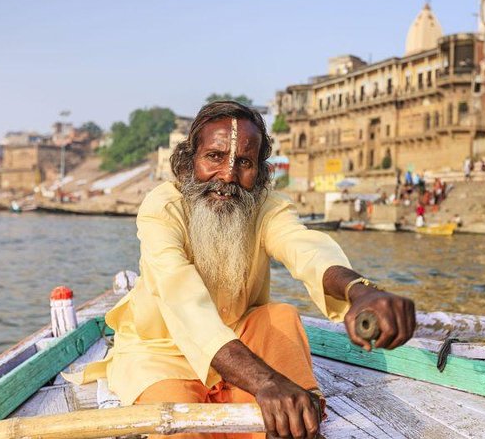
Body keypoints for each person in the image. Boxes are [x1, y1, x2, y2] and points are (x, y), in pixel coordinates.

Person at [66, 102, 416, 439]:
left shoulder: (265, 207)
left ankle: (294, 419)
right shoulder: (163, 206)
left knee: (280, 318)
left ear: (260, 172)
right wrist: (266, 381)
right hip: (162, 353)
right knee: (183, 428)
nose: (228, 175)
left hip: (241, 342)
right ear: (190, 162)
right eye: (215, 157)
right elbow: (181, 298)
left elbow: (305, 248)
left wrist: (359, 290)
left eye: (244, 162)